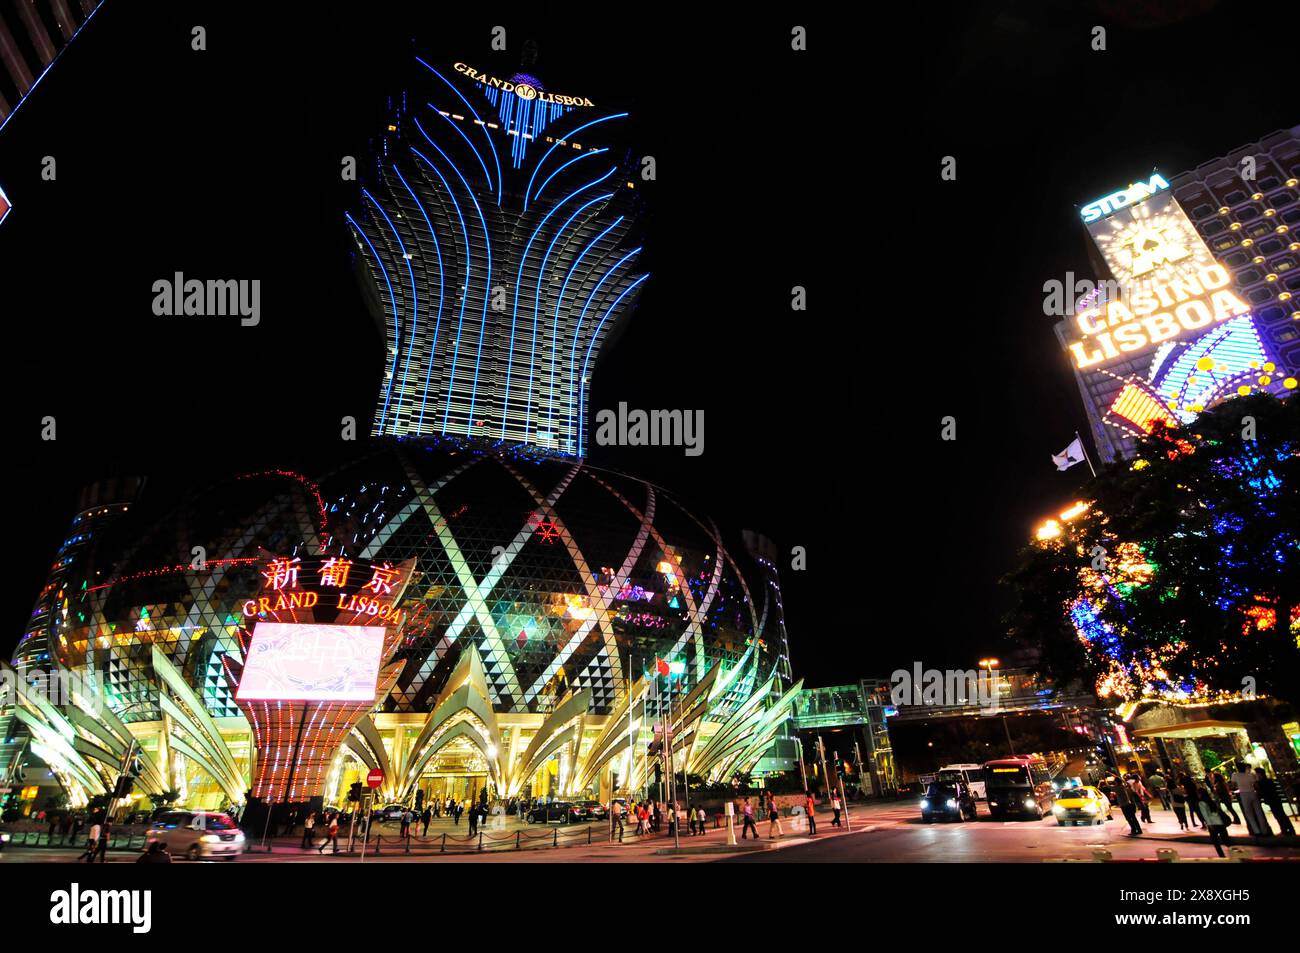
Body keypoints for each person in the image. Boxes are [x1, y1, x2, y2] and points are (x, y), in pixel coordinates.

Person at [1231, 764, 1270, 837]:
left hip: (1244, 794)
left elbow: (1233, 784)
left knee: (1249, 813)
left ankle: (1256, 831)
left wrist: (1239, 785)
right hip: (1252, 792)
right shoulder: (1250, 775)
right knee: (1259, 812)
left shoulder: (1235, 775)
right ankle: (1264, 830)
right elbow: (1256, 784)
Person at [1254, 767, 1295, 837]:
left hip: (1272, 800)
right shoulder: (1268, 781)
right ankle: (1287, 829)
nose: (1255, 776)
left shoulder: (1261, 782)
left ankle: (1286, 829)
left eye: (1256, 774)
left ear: (1259, 774)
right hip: (1275, 799)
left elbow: (1263, 792)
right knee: (1281, 814)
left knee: (1279, 815)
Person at [1194, 782, 1231, 858]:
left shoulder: (1201, 803)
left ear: (1200, 794)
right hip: (1220, 822)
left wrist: (1209, 825)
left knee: (1216, 843)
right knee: (1226, 841)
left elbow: (1205, 815)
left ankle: (1222, 857)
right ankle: (1236, 854)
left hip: (1213, 823)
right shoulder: (1211, 801)